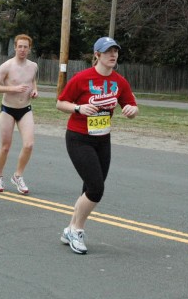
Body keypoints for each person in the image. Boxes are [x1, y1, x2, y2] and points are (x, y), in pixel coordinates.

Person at [56, 36, 139, 254]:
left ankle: (69, 229)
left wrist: (132, 110)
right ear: (97, 55)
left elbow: (131, 105)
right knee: (96, 189)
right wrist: (78, 108)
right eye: (108, 51)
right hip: (78, 138)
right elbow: (60, 103)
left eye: (115, 51)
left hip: (103, 140)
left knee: (89, 187)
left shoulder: (119, 82)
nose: (113, 55)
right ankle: (77, 230)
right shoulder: (82, 78)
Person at [0, 34, 38, 194]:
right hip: (8, 109)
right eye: (20, 46)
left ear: (29, 49)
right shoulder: (7, 66)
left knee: (29, 145)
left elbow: (32, 81)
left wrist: (34, 90)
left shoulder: (33, 66)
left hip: (25, 109)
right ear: (15, 47)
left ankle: (18, 175)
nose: (22, 49)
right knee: (5, 147)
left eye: (25, 47)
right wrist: (12, 88)